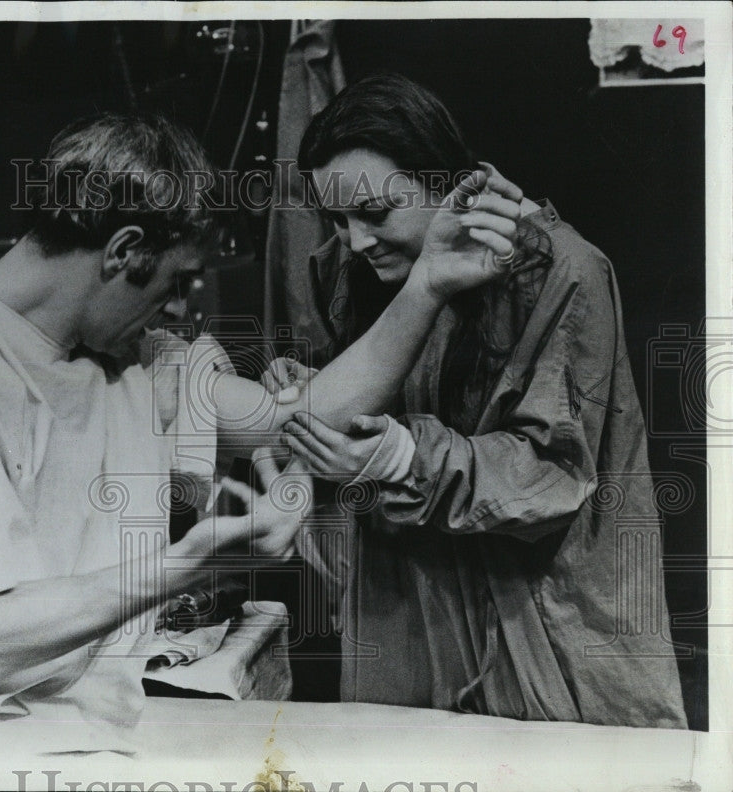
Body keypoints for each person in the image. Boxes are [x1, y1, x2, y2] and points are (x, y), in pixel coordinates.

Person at [0, 113, 524, 754]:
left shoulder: (133, 361)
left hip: (46, 731)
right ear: (123, 252)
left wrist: (427, 284)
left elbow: (302, 418)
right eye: (177, 284)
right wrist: (183, 565)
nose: (188, 311)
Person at [262, 73, 687, 729]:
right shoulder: (348, 270)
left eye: (375, 214)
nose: (356, 241)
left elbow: (552, 473)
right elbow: (319, 416)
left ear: (444, 181)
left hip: (538, 617)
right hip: (407, 612)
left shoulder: (557, 269)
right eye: (337, 219)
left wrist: (407, 456)